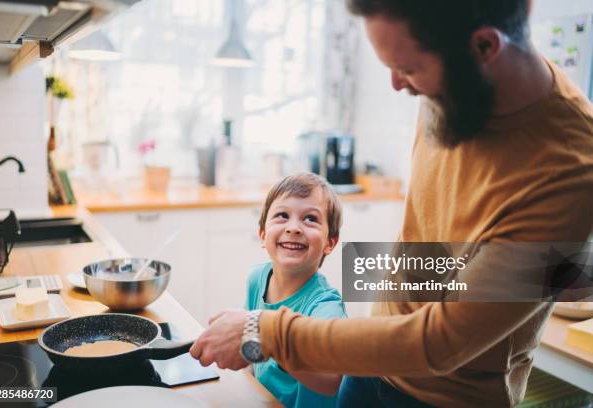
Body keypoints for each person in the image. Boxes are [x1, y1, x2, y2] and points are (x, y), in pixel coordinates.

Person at [190, 1, 593, 407]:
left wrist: (266, 332)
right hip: (371, 368)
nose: (397, 85)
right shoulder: (458, 83)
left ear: (485, 47)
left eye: (410, 68)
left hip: (449, 398)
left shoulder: (569, 170)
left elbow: (442, 341)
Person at [243, 172, 347, 407]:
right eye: (282, 215)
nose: (294, 227)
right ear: (262, 233)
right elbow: (250, 359)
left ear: (330, 242)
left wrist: (271, 340)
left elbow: (330, 380)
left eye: (310, 218)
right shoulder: (257, 279)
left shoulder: (325, 306)